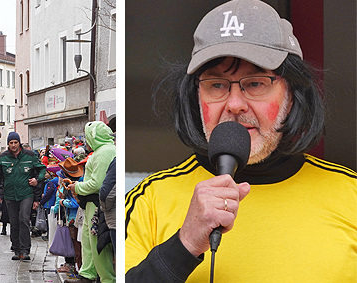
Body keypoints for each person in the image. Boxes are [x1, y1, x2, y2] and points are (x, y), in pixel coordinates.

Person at [126, 0, 357, 282]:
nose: (235, 104)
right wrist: (184, 244)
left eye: (256, 83)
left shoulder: (350, 196)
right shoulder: (147, 201)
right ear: (196, 98)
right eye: (217, 85)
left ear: (293, 94)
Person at [66, 121, 115, 283]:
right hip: (92, 204)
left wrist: (77, 187)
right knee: (88, 240)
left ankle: (106, 278)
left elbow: (98, 183)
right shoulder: (103, 151)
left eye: (87, 136)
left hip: (96, 205)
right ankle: (87, 274)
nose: (86, 141)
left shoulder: (103, 153)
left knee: (96, 243)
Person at [0, 132, 45, 261]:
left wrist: (37, 180)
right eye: (11, 143)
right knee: (14, 222)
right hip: (9, 195)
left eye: (15, 142)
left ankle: (25, 250)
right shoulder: (3, 158)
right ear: (8, 144)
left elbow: (42, 169)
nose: (13, 145)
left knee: (24, 219)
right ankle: (16, 249)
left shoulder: (30, 156)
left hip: (26, 194)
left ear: (19, 143)